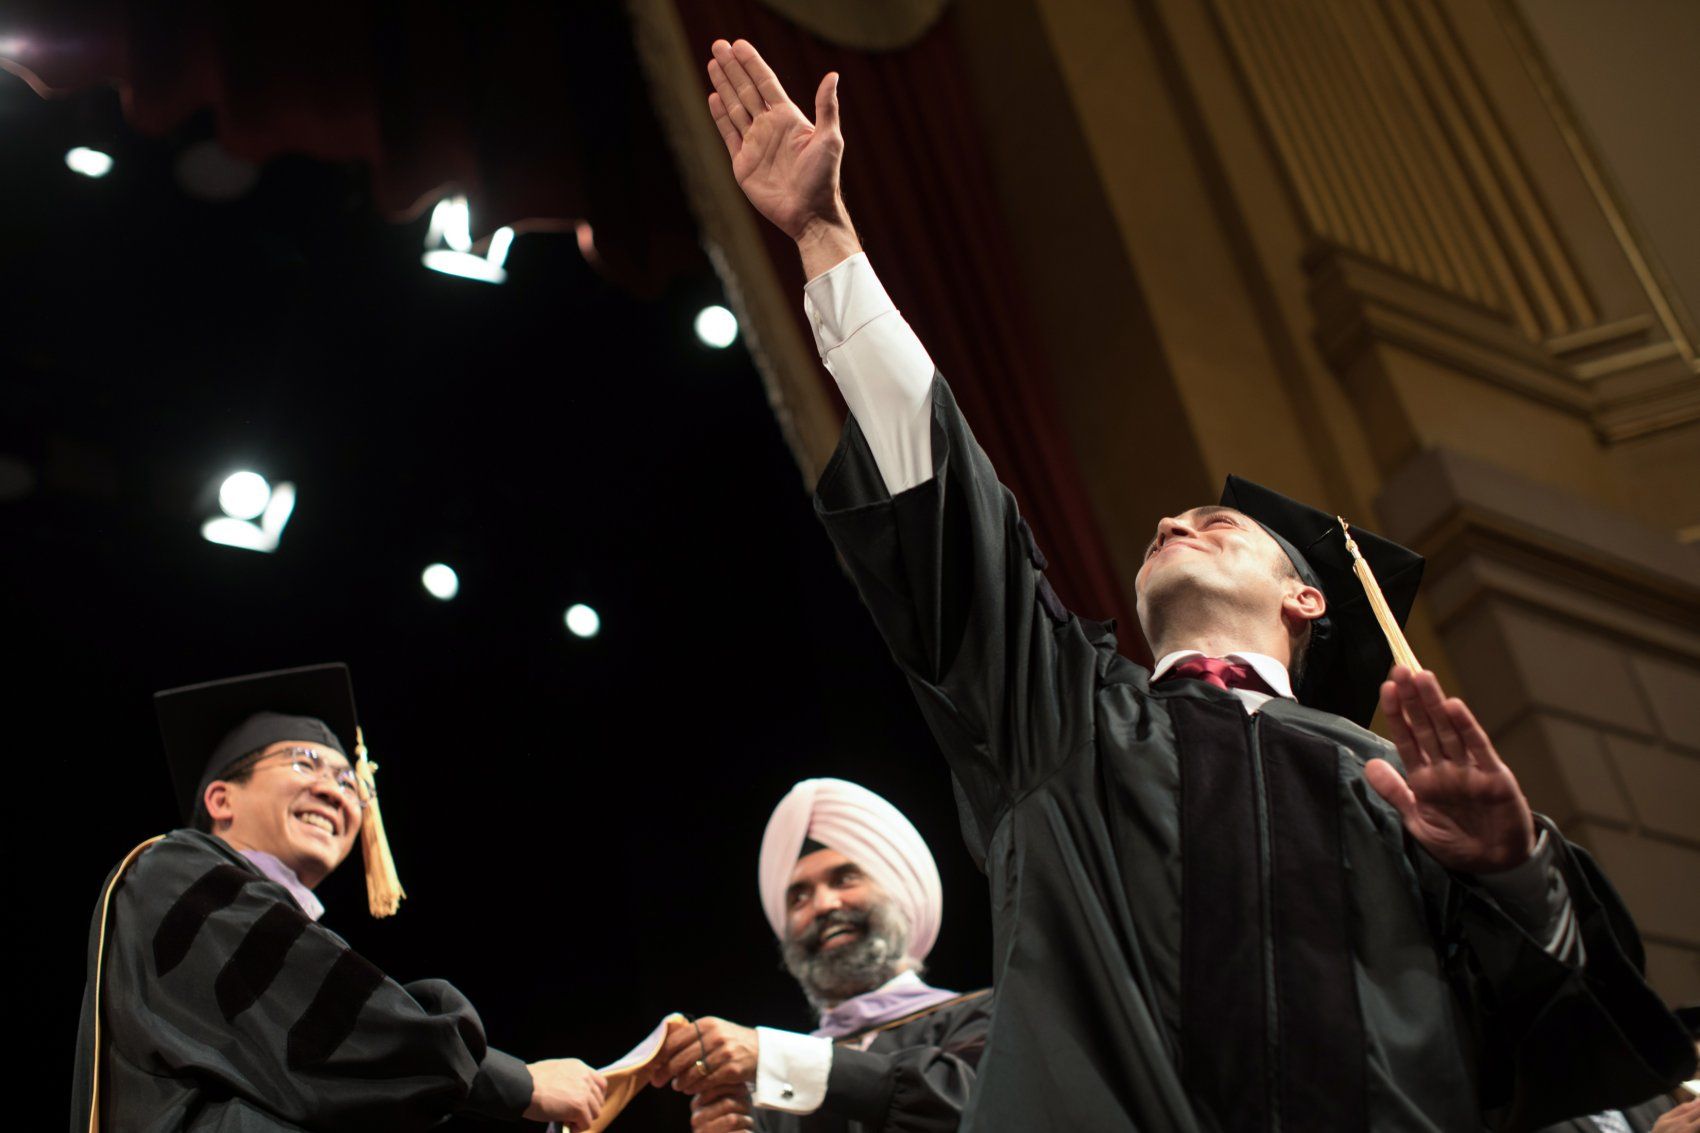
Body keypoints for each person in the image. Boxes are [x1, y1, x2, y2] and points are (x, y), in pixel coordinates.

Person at [699, 37, 1698, 1132]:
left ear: (1307, 595)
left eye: (1216, 522)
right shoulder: (1063, 719)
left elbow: (1559, 1063)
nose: (1172, 517)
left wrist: (1515, 871)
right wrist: (824, 237)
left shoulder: (1398, 793)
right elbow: (947, 506)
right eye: (1165, 522)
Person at [71, 663, 606, 1132]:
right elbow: (330, 1019)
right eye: (303, 763)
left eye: (350, 782)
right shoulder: (170, 868)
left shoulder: (271, 922)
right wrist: (519, 1082)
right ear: (221, 798)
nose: (335, 791)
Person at [651, 778, 990, 1133]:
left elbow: (979, 1108)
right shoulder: (767, 1094)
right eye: (798, 897)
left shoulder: (985, 1017)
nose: (824, 905)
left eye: (844, 879)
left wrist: (774, 1056)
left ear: (898, 893)